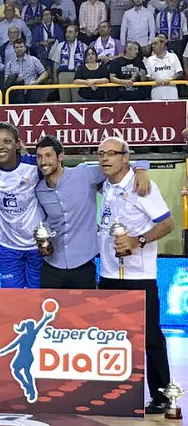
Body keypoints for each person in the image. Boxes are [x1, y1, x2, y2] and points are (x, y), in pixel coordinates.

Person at [96, 136, 174, 415]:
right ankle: (115, 393)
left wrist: (137, 241)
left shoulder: (142, 186)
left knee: (150, 337)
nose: (104, 158)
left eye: (111, 154)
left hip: (138, 276)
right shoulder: (105, 184)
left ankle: (163, 394)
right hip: (108, 274)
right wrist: (142, 164)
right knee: (110, 336)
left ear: (125, 157)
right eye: (100, 153)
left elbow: (167, 223)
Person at [35, 135, 150, 290]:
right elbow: (43, 223)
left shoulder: (84, 174)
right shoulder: (39, 189)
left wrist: (141, 169)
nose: (43, 162)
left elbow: (118, 165)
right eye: (39, 157)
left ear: (61, 156)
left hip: (83, 265)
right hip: (51, 265)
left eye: (48, 156)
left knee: (86, 312)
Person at [0, 123, 43, 289]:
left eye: (7, 141)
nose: (0, 146)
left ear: (17, 144)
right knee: (11, 299)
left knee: (37, 297)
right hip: (8, 247)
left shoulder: (34, 166)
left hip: (37, 245)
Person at [49, 25, 86, 102]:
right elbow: (56, 63)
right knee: (64, 100)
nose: (67, 34)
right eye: (66, 32)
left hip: (77, 75)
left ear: (76, 34)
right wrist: (55, 78)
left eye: (70, 32)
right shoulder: (60, 46)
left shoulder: (83, 46)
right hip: (63, 75)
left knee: (77, 99)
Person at [145, 34, 183, 101]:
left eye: (155, 43)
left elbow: (179, 72)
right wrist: (155, 80)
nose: (153, 46)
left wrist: (171, 79)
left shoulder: (173, 56)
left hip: (172, 94)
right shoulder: (149, 59)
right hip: (156, 94)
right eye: (152, 44)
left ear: (162, 44)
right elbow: (147, 76)